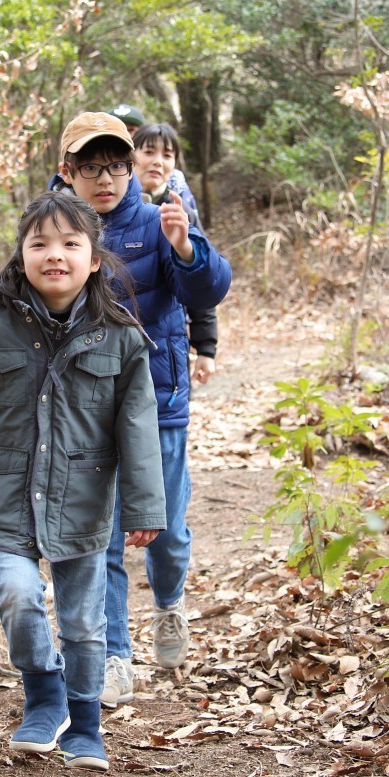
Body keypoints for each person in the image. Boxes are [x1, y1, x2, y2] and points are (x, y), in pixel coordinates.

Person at [0, 191, 168, 771]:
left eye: (71, 244)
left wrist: (146, 507)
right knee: (19, 597)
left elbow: (139, 430)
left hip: (84, 498)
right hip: (3, 494)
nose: (56, 255)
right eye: (40, 243)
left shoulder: (121, 337)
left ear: (94, 258)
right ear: (21, 254)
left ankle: (86, 723)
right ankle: (44, 695)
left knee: (82, 620)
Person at [50, 112, 232, 707]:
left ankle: (170, 603)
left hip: (158, 402)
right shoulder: (51, 229)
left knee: (166, 533)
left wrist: (186, 249)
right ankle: (113, 658)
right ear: (67, 172)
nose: (107, 179)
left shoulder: (158, 222)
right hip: (85, 409)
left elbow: (209, 290)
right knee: (98, 537)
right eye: (93, 168)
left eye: (118, 166)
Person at [133, 121, 219, 387]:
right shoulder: (108, 208)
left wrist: (205, 347)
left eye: (167, 155)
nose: (158, 162)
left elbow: (201, 279)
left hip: (169, 348)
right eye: (148, 152)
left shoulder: (182, 212)